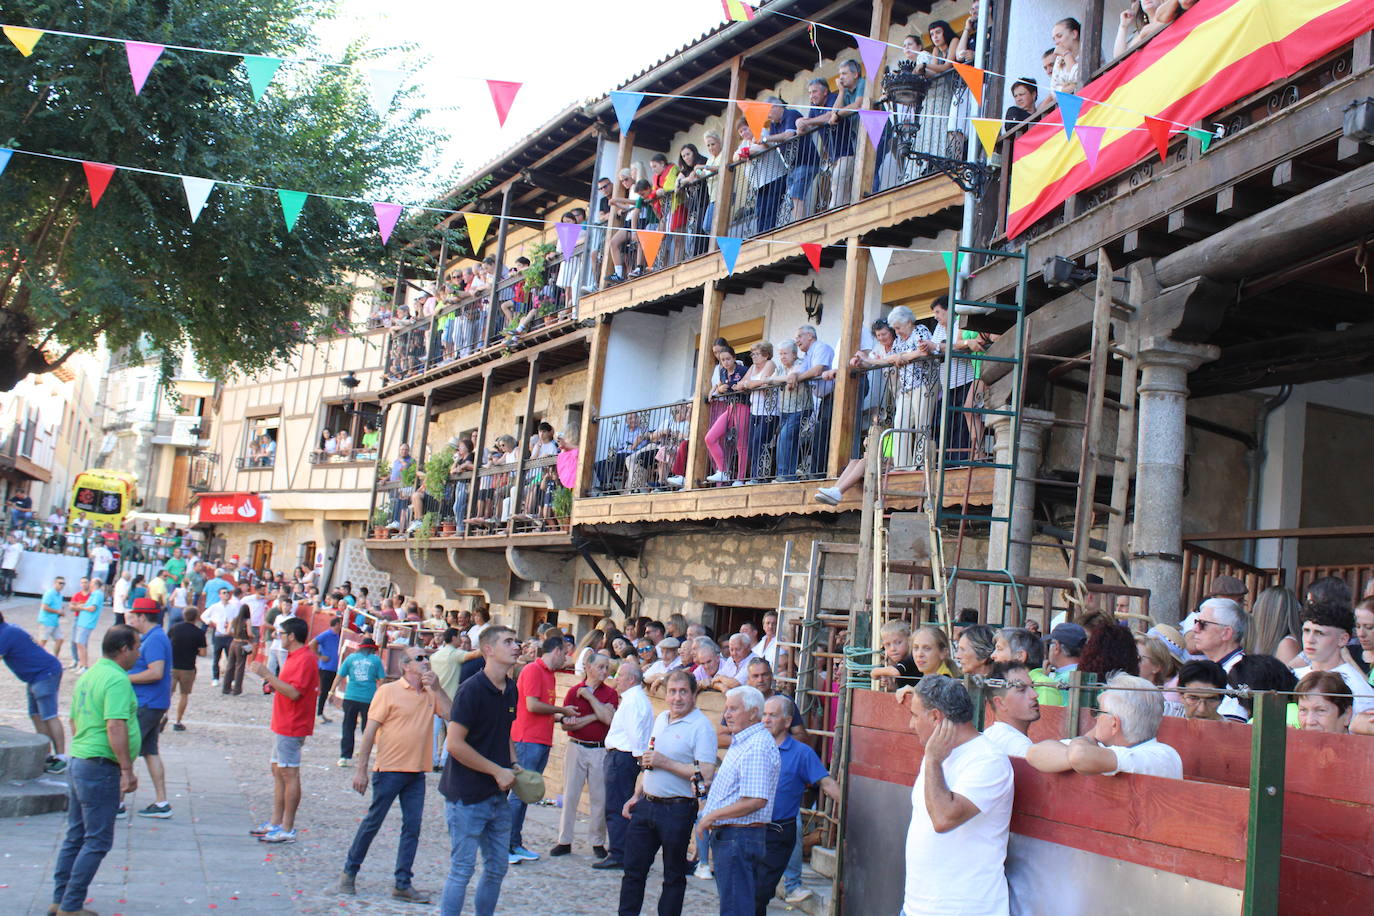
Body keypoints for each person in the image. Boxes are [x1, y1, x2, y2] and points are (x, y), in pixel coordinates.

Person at [339, 644, 451, 904]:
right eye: (420, 658)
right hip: (389, 769)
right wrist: (361, 770)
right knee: (372, 823)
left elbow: (452, 714)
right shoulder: (388, 692)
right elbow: (369, 731)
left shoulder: (431, 694)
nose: (426, 662)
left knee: (412, 828)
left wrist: (438, 688)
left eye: (428, 658)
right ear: (405, 665)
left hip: (416, 772)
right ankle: (349, 872)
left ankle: (403, 883)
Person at [899, 675, 1015, 916]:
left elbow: (943, 819)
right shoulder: (937, 753)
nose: (911, 725)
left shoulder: (988, 760)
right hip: (916, 907)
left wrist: (932, 760)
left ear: (935, 717)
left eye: (914, 715)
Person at [51, 624, 141, 916]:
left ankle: (60, 898)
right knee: (97, 839)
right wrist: (126, 770)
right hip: (100, 764)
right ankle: (71, 905)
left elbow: (74, 720)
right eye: (136, 647)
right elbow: (115, 724)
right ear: (124, 649)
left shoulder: (90, 674)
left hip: (80, 759)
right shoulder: (116, 680)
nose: (139, 653)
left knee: (76, 834)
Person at [618, 668, 719, 916]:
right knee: (633, 871)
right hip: (647, 805)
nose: (677, 697)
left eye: (683, 691)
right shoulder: (662, 718)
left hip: (677, 808)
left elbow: (705, 773)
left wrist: (666, 763)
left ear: (694, 694)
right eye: (672, 692)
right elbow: (650, 761)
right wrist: (636, 794)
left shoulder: (701, 727)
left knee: (673, 875)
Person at [440, 625, 522, 916]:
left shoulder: (511, 687)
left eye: (516, 641)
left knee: (497, 868)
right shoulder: (471, 690)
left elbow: (504, 732)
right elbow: (454, 745)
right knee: (462, 870)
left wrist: (512, 764)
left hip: (497, 796)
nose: (516, 646)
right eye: (508, 642)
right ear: (488, 649)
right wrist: (496, 771)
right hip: (466, 794)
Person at [695, 685, 780, 916]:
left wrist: (710, 816)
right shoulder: (744, 741)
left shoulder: (756, 745)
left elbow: (755, 800)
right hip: (735, 837)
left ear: (753, 712)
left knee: (736, 909)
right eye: (726, 709)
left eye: (733, 709)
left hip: (739, 837)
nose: (727, 715)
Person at [758, 694, 838, 911]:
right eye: (764, 714)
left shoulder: (802, 753)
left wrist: (851, 811)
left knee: (759, 893)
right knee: (744, 892)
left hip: (778, 831)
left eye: (772, 715)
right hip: (749, 829)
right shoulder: (753, 747)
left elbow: (827, 784)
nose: (765, 720)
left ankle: (791, 886)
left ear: (787, 721)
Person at [1027, 673, 1183, 779]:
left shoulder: (1162, 756)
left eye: (1099, 712)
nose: (1095, 718)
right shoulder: (1098, 747)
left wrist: (1086, 741)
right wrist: (1082, 748)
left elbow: (1079, 755)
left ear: (1114, 724)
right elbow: (1034, 753)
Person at [249, 616, 318, 844]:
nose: (277, 637)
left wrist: (268, 675)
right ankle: (276, 822)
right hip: (283, 721)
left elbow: (294, 692)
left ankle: (287, 827)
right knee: (278, 771)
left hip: (292, 723)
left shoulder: (305, 659)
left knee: (289, 773)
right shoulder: (294, 656)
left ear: (292, 636)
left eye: (281, 634)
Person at [509, 635, 576, 863]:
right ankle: (507, 844)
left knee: (526, 794)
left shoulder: (548, 674)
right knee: (519, 793)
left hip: (540, 739)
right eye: (565, 653)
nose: (566, 658)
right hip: (527, 739)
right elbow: (532, 705)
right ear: (556, 651)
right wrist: (562, 711)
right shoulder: (533, 671)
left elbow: (541, 708)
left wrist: (558, 717)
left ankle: (514, 843)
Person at [552, 652, 619, 859]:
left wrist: (590, 702)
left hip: (599, 748)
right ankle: (564, 840)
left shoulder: (610, 693)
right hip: (577, 746)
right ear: (588, 667)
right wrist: (596, 715)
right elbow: (565, 723)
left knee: (599, 797)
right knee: (570, 794)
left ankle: (597, 841)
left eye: (606, 667)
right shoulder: (574, 691)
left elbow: (608, 719)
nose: (604, 671)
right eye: (600, 666)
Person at [598, 659, 654, 870]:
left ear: (631, 679)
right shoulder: (637, 698)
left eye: (620, 676)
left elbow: (635, 734)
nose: (617, 680)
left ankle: (618, 852)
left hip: (622, 756)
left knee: (616, 805)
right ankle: (623, 850)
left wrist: (640, 758)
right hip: (626, 756)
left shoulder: (632, 701)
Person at [124, 598, 175, 818]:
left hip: (147, 703)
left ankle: (117, 802)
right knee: (150, 751)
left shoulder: (154, 640)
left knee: (125, 750)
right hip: (154, 702)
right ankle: (162, 802)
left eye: (133, 616)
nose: (130, 619)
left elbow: (156, 672)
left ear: (142, 617)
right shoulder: (154, 637)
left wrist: (125, 679)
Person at [0, 607, 67, 772]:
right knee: (36, 715)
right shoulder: (9, 629)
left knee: (49, 715)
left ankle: (61, 757)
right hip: (35, 676)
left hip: (45, 673)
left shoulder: (5, 635)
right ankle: (45, 754)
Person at [1294, 600, 1374, 714]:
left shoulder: (1358, 689)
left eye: (1319, 633)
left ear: (1343, 639)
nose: (1309, 640)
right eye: (1306, 631)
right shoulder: (1292, 676)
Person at [330, 636, 387, 767]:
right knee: (367, 728)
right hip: (368, 698)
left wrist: (331, 691)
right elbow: (382, 680)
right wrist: (380, 694)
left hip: (351, 696)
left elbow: (340, 675)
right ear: (372, 649)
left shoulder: (350, 658)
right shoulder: (376, 660)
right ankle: (364, 752)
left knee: (348, 726)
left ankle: (344, 756)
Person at [981, 660, 1042, 758]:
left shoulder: (990, 734)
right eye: (1021, 690)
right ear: (1000, 703)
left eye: (1032, 687)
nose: (1035, 695)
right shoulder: (1019, 746)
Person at [168, 607, 207, 731]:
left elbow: (166, 644)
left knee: (167, 694)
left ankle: (162, 716)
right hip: (188, 667)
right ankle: (178, 721)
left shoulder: (174, 628)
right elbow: (203, 653)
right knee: (184, 695)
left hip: (172, 666)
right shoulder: (199, 632)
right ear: (196, 617)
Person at [310, 615, 342, 724]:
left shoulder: (337, 635)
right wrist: (319, 656)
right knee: (324, 691)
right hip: (326, 667)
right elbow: (312, 643)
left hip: (332, 667)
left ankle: (321, 713)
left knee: (326, 691)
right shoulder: (327, 634)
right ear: (337, 624)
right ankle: (319, 713)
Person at [71, 578, 105, 673]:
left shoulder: (97, 594)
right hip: (83, 622)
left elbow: (92, 608)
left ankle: (84, 666)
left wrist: (81, 607)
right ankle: (82, 664)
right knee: (80, 643)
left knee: (81, 644)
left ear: (95, 584)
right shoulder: (94, 594)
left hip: (87, 622)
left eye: (91, 582)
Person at [221, 605, 253, 696]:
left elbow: (228, 632)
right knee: (240, 666)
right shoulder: (247, 621)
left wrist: (236, 634)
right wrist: (252, 637)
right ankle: (237, 689)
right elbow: (250, 634)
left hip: (233, 642)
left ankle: (226, 688)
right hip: (242, 643)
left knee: (230, 665)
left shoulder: (234, 620)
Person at [37, 576, 67, 660]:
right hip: (46, 621)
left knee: (60, 639)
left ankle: (55, 659)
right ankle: (37, 659)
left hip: (54, 621)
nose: (62, 585)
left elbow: (57, 607)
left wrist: (60, 612)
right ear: (55, 583)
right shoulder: (49, 593)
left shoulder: (60, 595)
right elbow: (44, 607)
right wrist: (57, 611)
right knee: (42, 641)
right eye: (60, 583)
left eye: (63, 583)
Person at [0, 531, 22, 598]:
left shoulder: (18, 546)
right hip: (4, 565)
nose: (10, 539)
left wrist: (16, 566)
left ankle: (9, 593)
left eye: (12, 537)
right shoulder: (7, 545)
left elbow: (20, 556)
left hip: (11, 565)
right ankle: (3, 593)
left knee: (9, 580)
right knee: (3, 580)